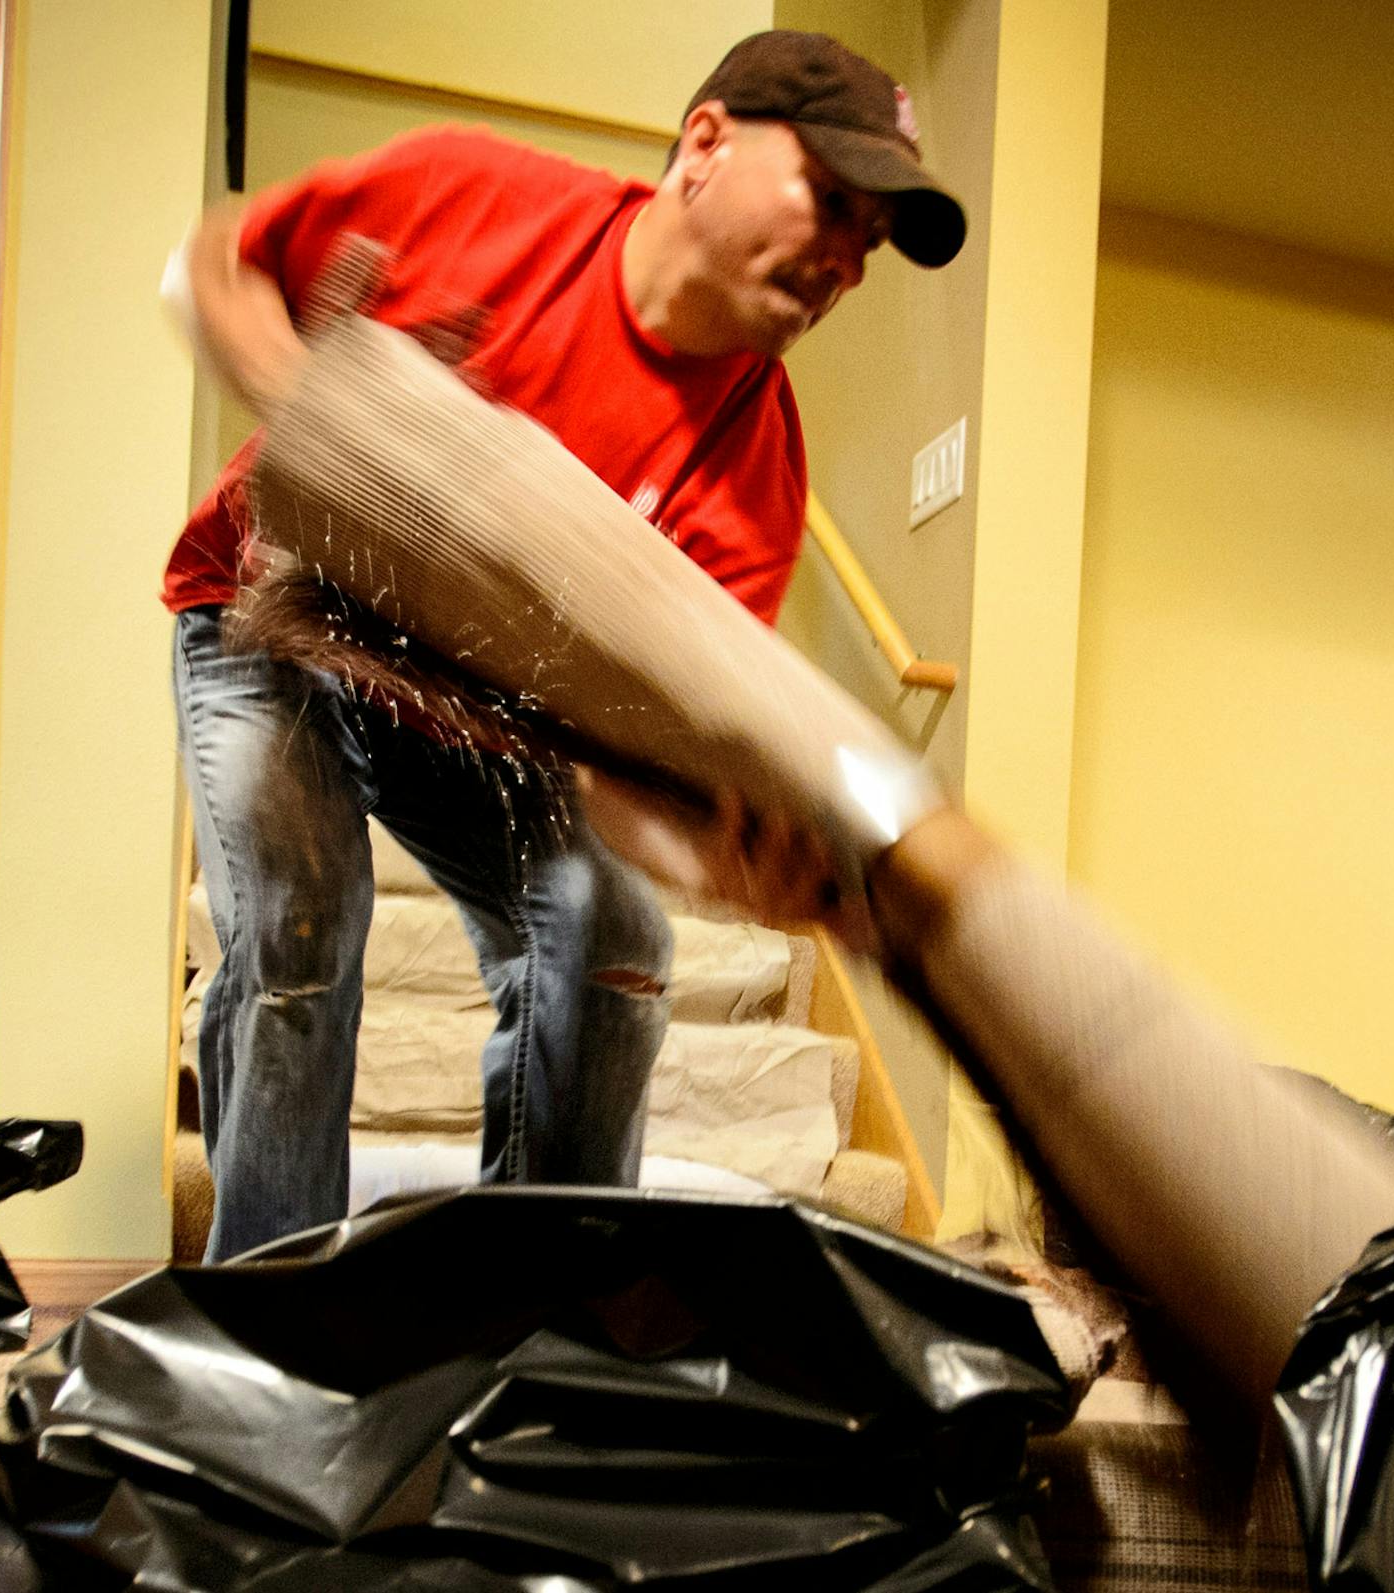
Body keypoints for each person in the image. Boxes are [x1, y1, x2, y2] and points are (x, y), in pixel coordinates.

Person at [165, 30, 966, 1261]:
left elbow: (620, 775)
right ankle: (273, 1320)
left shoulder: (753, 478)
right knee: (301, 918)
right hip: (269, 625)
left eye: (869, 241)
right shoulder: (479, 198)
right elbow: (212, 270)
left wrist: (728, 868)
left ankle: (539, 1301)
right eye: (833, 202)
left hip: (472, 722)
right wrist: (345, 446)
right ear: (703, 147)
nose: (845, 259)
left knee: (612, 932)